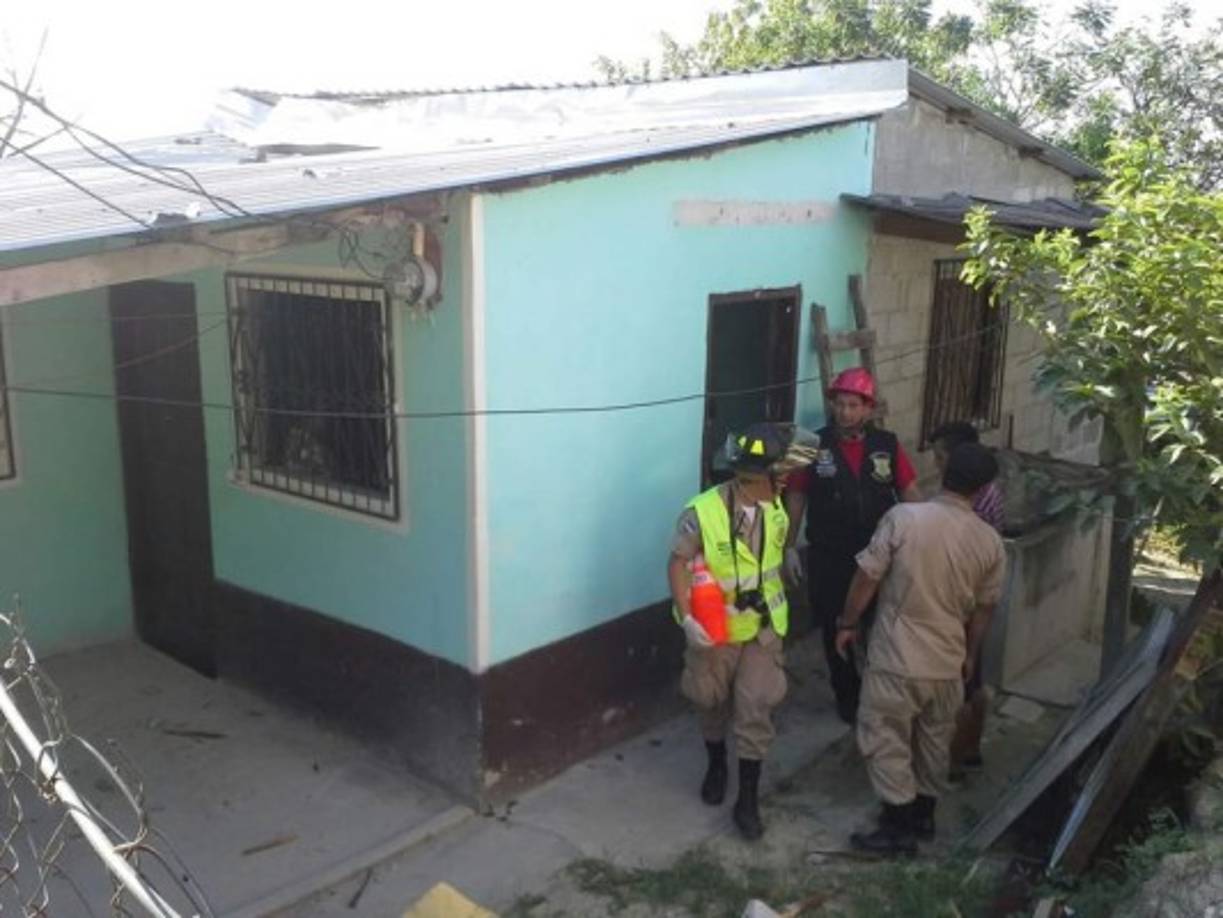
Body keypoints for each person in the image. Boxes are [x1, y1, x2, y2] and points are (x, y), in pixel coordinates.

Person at [834, 442, 1006, 856]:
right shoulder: (989, 541)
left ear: (942, 471)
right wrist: (969, 656)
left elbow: (866, 578)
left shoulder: (904, 518)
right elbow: (985, 609)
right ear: (983, 488)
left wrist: (848, 622)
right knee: (933, 738)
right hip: (947, 658)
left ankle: (897, 827)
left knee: (883, 734)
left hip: (898, 655)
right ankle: (925, 817)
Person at [668, 422, 818, 840]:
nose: (786, 481)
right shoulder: (702, 511)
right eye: (780, 475)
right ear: (756, 478)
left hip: (763, 629)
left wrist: (787, 553)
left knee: (755, 705)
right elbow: (677, 563)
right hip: (716, 630)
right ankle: (716, 764)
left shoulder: (775, 506)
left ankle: (747, 799)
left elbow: (768, 556)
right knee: (710, 700)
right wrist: (689, 616)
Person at [784, 368, 921, 724]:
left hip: (878, 554)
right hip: (829, 555)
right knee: (834, 627)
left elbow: (908, 491)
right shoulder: (811, 445)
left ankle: (878, 691)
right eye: (840, 404)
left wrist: (916, 539)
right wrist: (788, 546)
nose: (845, 412)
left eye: (852, 405)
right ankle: (847, 694)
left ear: (867, 409)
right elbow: (796, 496)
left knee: (880, 624)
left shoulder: (887, 445)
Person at [928, 422, 1005, 778]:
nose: (935, 464)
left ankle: (955, 758)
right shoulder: (986, 491)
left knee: (959, 688)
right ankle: (970, 751)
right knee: (972, 685)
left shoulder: (970, 508)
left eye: (940, 457)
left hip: (960, 607)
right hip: (972, 605)